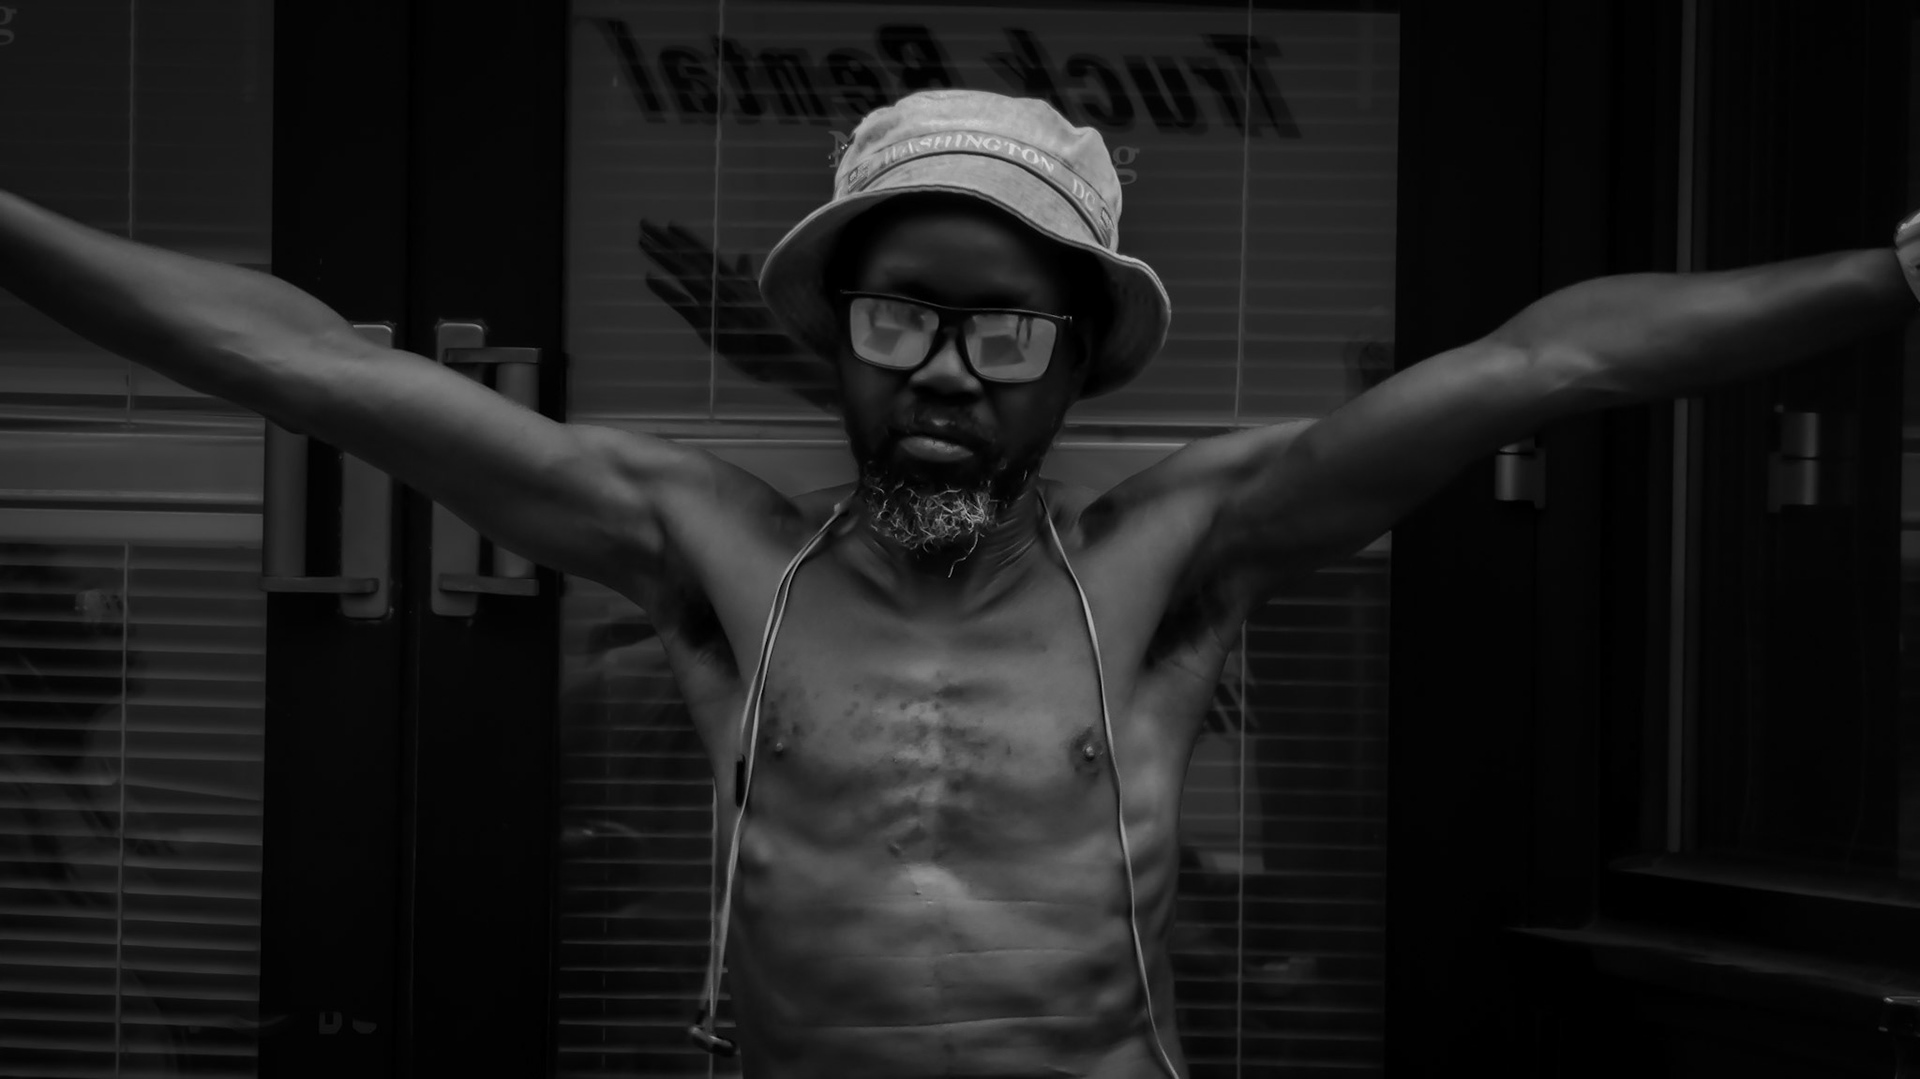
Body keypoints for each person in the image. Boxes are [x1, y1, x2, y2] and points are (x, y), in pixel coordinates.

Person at [1, 87, 1915, 1078]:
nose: (943, 374)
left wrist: (1895, 272)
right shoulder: (705, 548)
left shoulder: (1174, 553)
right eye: (903, 317)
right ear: (836, 336)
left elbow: (1545, 362)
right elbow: (303, 362)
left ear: (1077, 366)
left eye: (1005, 333)